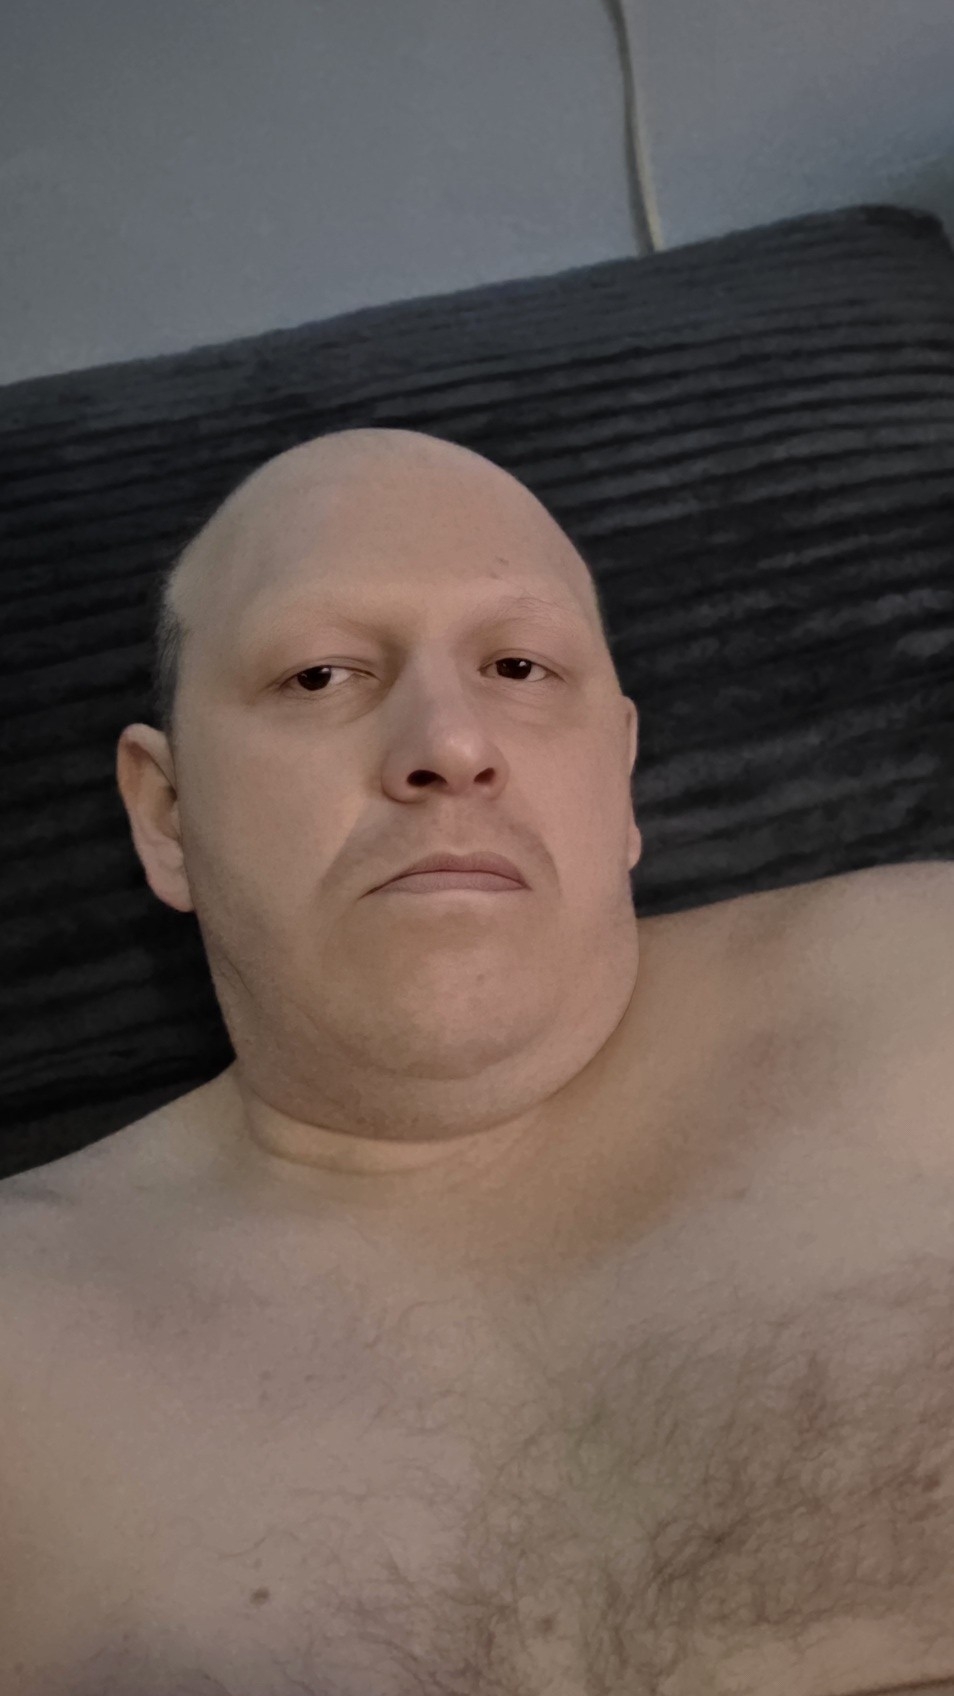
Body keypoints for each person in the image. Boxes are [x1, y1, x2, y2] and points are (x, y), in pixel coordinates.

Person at [2, 426, 953, 1696]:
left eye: (518, 665)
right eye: (319, 674)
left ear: (621, 773)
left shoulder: (927, 979)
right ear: (165, 813)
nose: (450, 743)